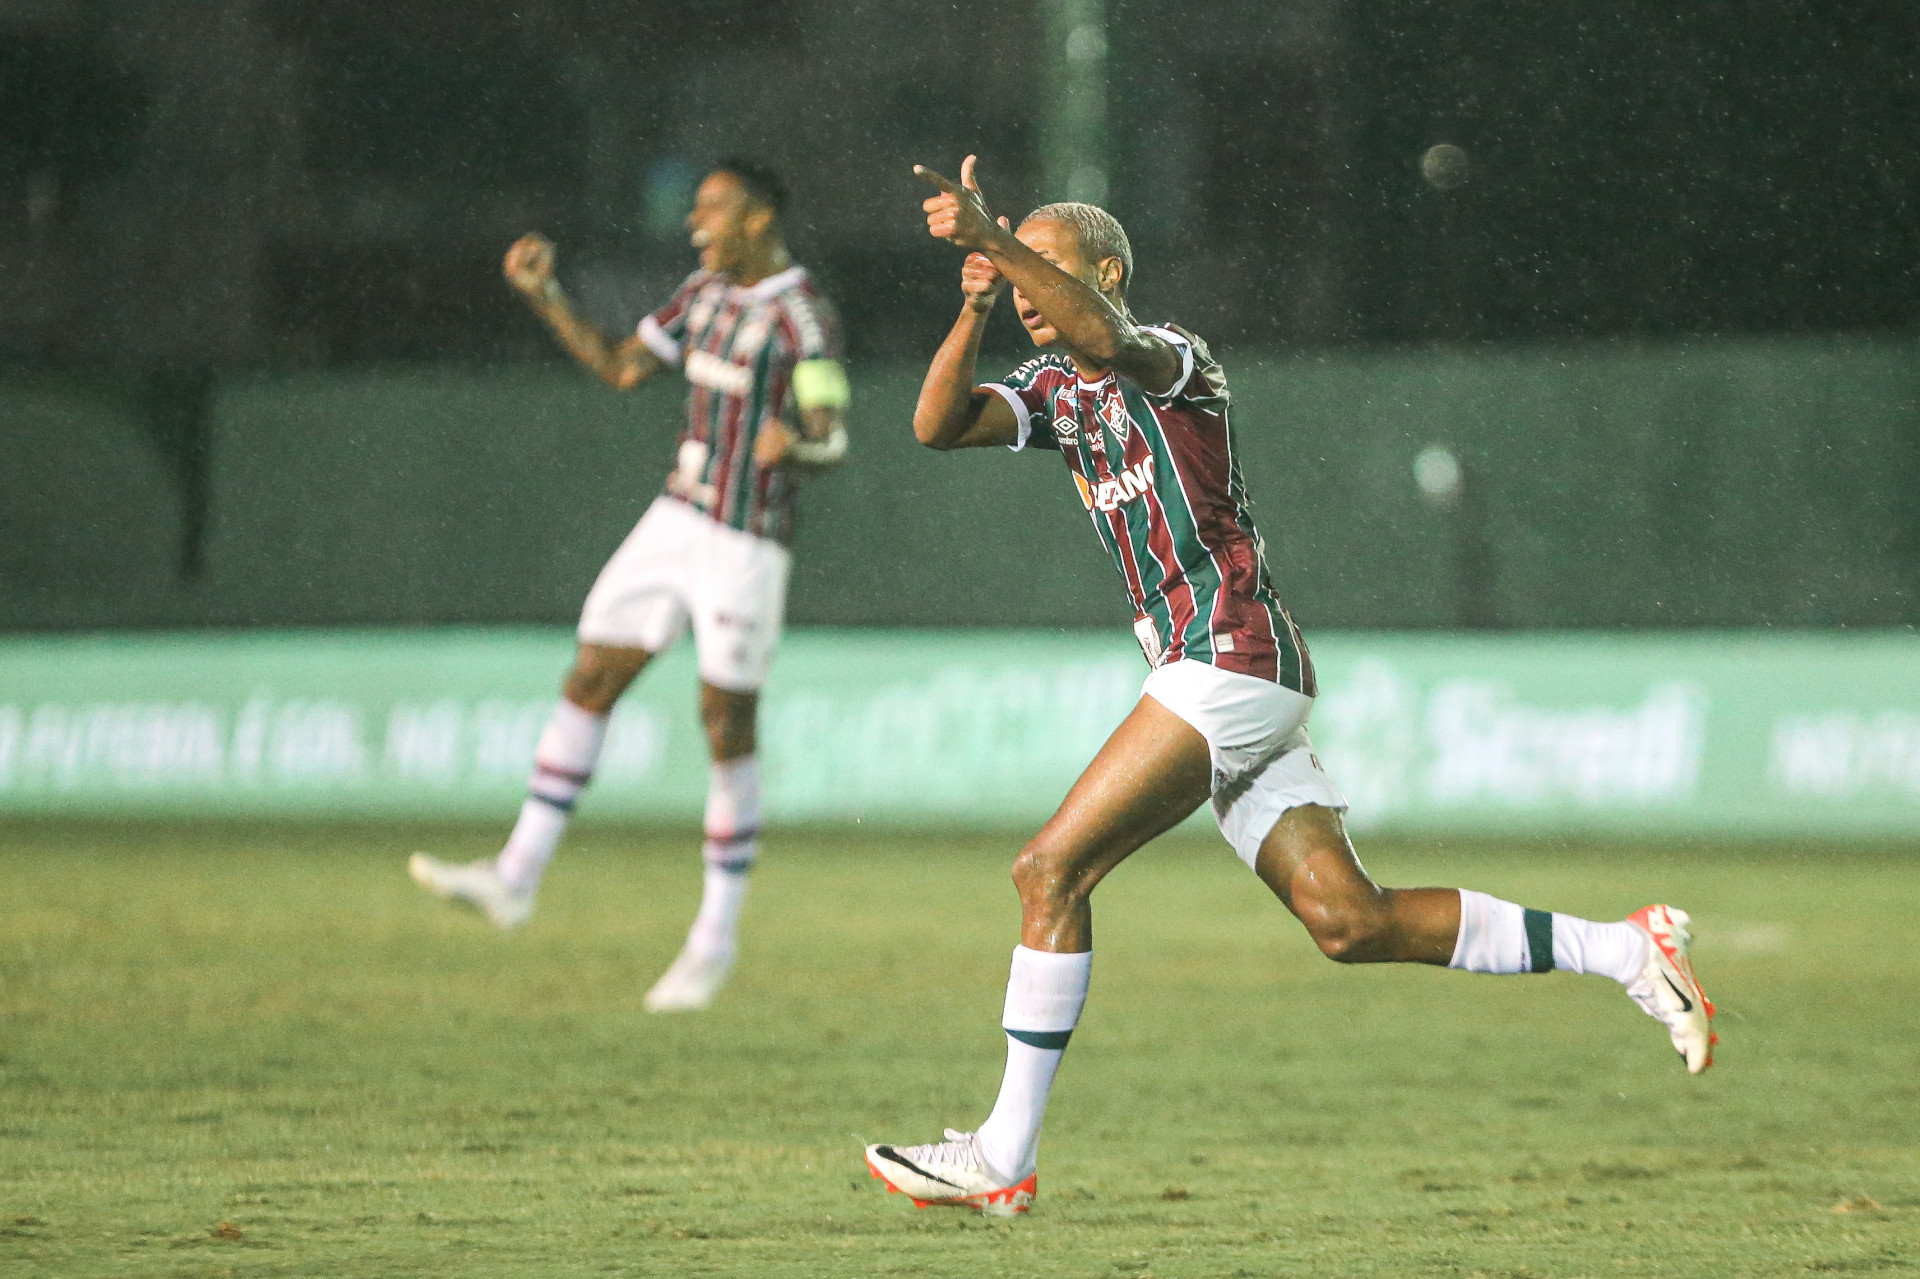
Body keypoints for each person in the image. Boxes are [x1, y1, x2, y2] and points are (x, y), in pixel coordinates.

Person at [862, 156, 1715, 1217]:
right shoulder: (1055, 391)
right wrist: (981, 299)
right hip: (1219, 674)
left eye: (1048, 267)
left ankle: (1004, 1153)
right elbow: (935, 425)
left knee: (1049, 872)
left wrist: (993, 235)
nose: (1030, 286)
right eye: (1019, 270)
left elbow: (1108, 341)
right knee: (1349, 921)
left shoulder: (1171, 358)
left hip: (1228, 659)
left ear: (1109, 269)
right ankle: (1631, 949)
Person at [409, 160, 849, 1013]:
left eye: (712, 210)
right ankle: (514, 875)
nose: (696, 224)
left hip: (745, 542)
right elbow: (618, 366)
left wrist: (796, 448)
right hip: (676, 517)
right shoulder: (702, 294)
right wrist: (547, 296)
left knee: (725, 725)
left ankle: (713, 940)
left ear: (758, 219)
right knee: (591, 674)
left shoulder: (804, 318)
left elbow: (832, 437)